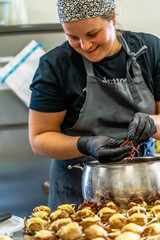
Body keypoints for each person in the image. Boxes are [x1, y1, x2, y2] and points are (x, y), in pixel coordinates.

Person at [28, 0, 160, 211]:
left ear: (113, 18)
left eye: (92, 34)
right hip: (76, 191)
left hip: (142, 187)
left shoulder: (150, 50)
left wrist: (152, 124)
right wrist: (85, 144)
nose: (85, 45)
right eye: (72, 37)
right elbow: (39, 139)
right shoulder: (55, 66)